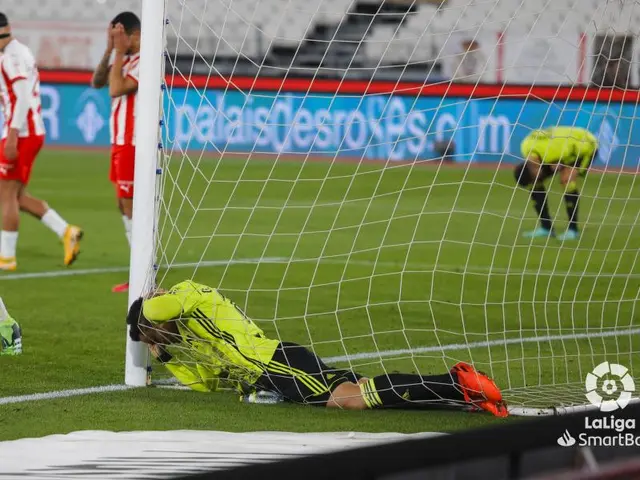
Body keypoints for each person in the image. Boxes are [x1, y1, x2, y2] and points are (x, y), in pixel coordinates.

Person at [126, 280, 508, 417]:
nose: (159, 343)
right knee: (362, 392)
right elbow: (204, 384)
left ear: (155, 319)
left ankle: (456, 383)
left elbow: (158, 308)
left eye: (155, 336)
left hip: (274, 364)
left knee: (352, 399)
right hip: (276, 371)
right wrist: (168, 356)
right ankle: (461, 396)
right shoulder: (192, 334)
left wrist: (140, 312)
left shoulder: (188, 295)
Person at [0, 13, 82, 272]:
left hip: (22, 133)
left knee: (6, 193)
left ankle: (7, 258)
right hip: (24, 131)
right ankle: (66, 230)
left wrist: (12, 134)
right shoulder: (16, 51)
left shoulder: (12, 56)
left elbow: (23, 96)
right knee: (16, 195)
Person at [90, 12, 141, 293]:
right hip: (119, 141)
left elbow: (115, 89)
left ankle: (143, 276)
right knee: (123, 205)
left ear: (133, 34)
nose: (116, 41)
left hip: (133, 143)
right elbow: (98, 82)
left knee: (132, 207)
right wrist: (111, 51)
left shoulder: (144, 60)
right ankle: (138, 273)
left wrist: (119, 52)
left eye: (119, 36)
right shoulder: (124, 57)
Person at [515, 126, 598, 240]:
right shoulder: (525, 147)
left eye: (535, 176)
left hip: (585, 145)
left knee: (566, 180)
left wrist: (567, 165)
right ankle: (546, 228)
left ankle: (573, 230)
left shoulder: (554, 152)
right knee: (535, 184)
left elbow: (574, 152)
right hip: (557, 149)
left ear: (535, 168)